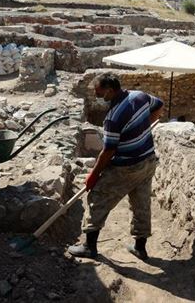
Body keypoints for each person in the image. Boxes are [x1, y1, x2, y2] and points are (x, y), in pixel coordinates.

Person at [68, 73, 164, 261]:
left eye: (99, 92)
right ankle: (140, 247)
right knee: (141, 203)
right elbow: (159, 105)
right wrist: (142, 127)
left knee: (98, 197)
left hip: (126, 167)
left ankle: (89, 246)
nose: (97, 96)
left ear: (110, 90)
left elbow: (108, 151)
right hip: (147, 161)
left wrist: (93, 175)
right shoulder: (140, 96)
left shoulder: (113, 117)